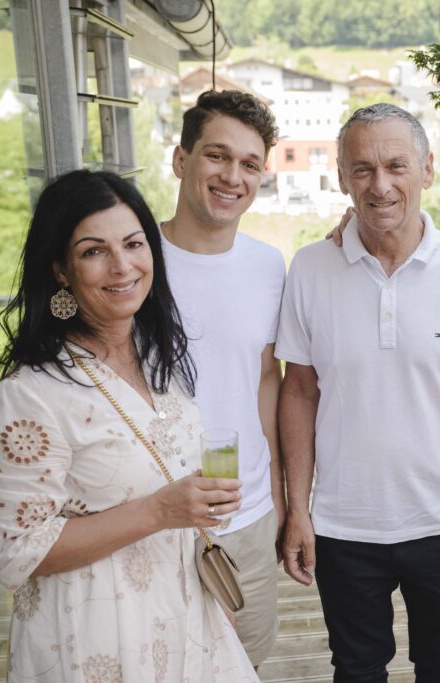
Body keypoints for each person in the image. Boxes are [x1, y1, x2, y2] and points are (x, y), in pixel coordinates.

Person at [0, 170, 257, 681]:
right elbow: (15, 553)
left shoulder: (158, 360)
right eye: (93, 251)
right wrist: (160, 510)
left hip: (188, 620)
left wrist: (210, 601)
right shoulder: (26, 399)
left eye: (132, 243)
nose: (122, 266)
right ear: (60, 270)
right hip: (95, 637)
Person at [277, 103, 440, 682]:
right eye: (361, 169)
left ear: (427, 169)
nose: (379, 185)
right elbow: (299, 392)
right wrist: (299, 510)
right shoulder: (309, 269)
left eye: (396, 166)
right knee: (356, 669)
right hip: (342, 524)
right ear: (341, 178)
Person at [161, 89, 286, 669]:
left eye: (249, 163)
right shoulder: (135, 262)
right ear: (181, 159)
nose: (232, 176)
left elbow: (267, 379)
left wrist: (282, 501)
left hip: (247, 518)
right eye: (216, 156)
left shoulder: (268, 266)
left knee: (244, 667)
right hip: (152, 519)